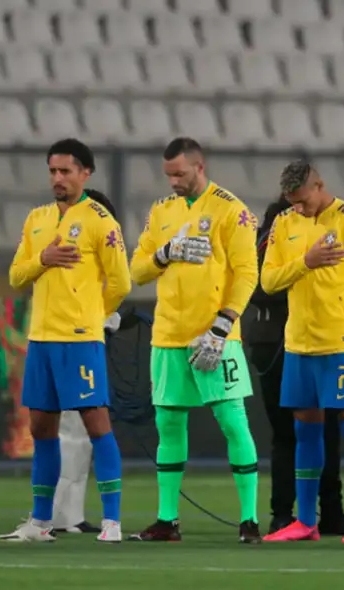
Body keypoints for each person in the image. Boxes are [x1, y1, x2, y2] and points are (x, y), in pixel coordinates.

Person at [127, 138, 262, 544]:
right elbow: (137, 271)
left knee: (232, 420)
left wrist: (223, 324)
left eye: (179, 174)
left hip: (215, 336)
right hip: (169, 334)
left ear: (199, 167)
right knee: (168, 423)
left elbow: (247, 273)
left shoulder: (231, 210)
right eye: (168, 175)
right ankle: (167, 520)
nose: (173, 182)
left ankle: (250, 521)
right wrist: (165, 253)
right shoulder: (161, 211)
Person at [0, 138, 131, 543]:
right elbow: (15, 276)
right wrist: (43, 260)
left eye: (65, 171)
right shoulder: (37, 219)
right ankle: (41, 522)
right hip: (41, 339)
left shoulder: (101, 221)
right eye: (53, 171)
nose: (58, 178)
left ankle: (112, 522)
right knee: (42, 429)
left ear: (85, 173)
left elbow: (121, 282)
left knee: (97, 425)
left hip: (79, 340)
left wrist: (92, 316)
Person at [260, 160, 344, 544]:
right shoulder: (283, 223)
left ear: (319, 185)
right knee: (305, 429)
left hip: (340, 343)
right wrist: (305, 262)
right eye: (293, 202)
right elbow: (268, 281)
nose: (298, 208)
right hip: (299, 343)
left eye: (303, 200)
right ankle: (305, 522)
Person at [244, 193, 344, 536]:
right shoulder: (277, 230)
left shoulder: (313, 228)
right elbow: (261, 285)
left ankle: (312, 512)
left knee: (317, 429)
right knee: (297, 430)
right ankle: (292, 512)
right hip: (283, 342)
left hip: (307, 339)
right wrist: (306, 266)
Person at [51, 189, 121, 536]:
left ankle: (68, 514)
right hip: (70, 341)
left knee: (78, 432)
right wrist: (104, 316)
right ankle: (58, 515)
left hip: (80, 340)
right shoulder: (72, 249)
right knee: (70, 429)